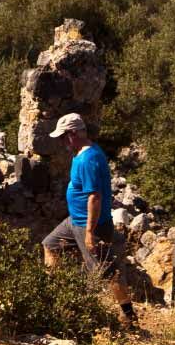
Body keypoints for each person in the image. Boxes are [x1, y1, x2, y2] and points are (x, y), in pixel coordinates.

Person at [40, 113, 138, 327]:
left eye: (63, 137)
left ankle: (128, 316)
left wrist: (89, 233)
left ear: (73, 134)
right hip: (74, 220)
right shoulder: (80, 153)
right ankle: (54, 296)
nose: (61, 142)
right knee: (50, 244)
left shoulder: (88, 159)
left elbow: (95, 197)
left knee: (108, 272)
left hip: (89, 224)